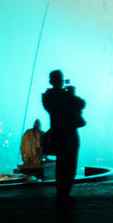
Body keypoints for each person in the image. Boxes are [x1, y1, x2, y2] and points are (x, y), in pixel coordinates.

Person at [42, 70, 85, 203]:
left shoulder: (47, 97)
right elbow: (81, 104)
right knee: (69, 165)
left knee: (61, 166)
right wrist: (72, 94)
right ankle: (64, 194)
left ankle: (62, 193)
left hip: (58, 133)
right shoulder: (63, 96)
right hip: (69, 133)